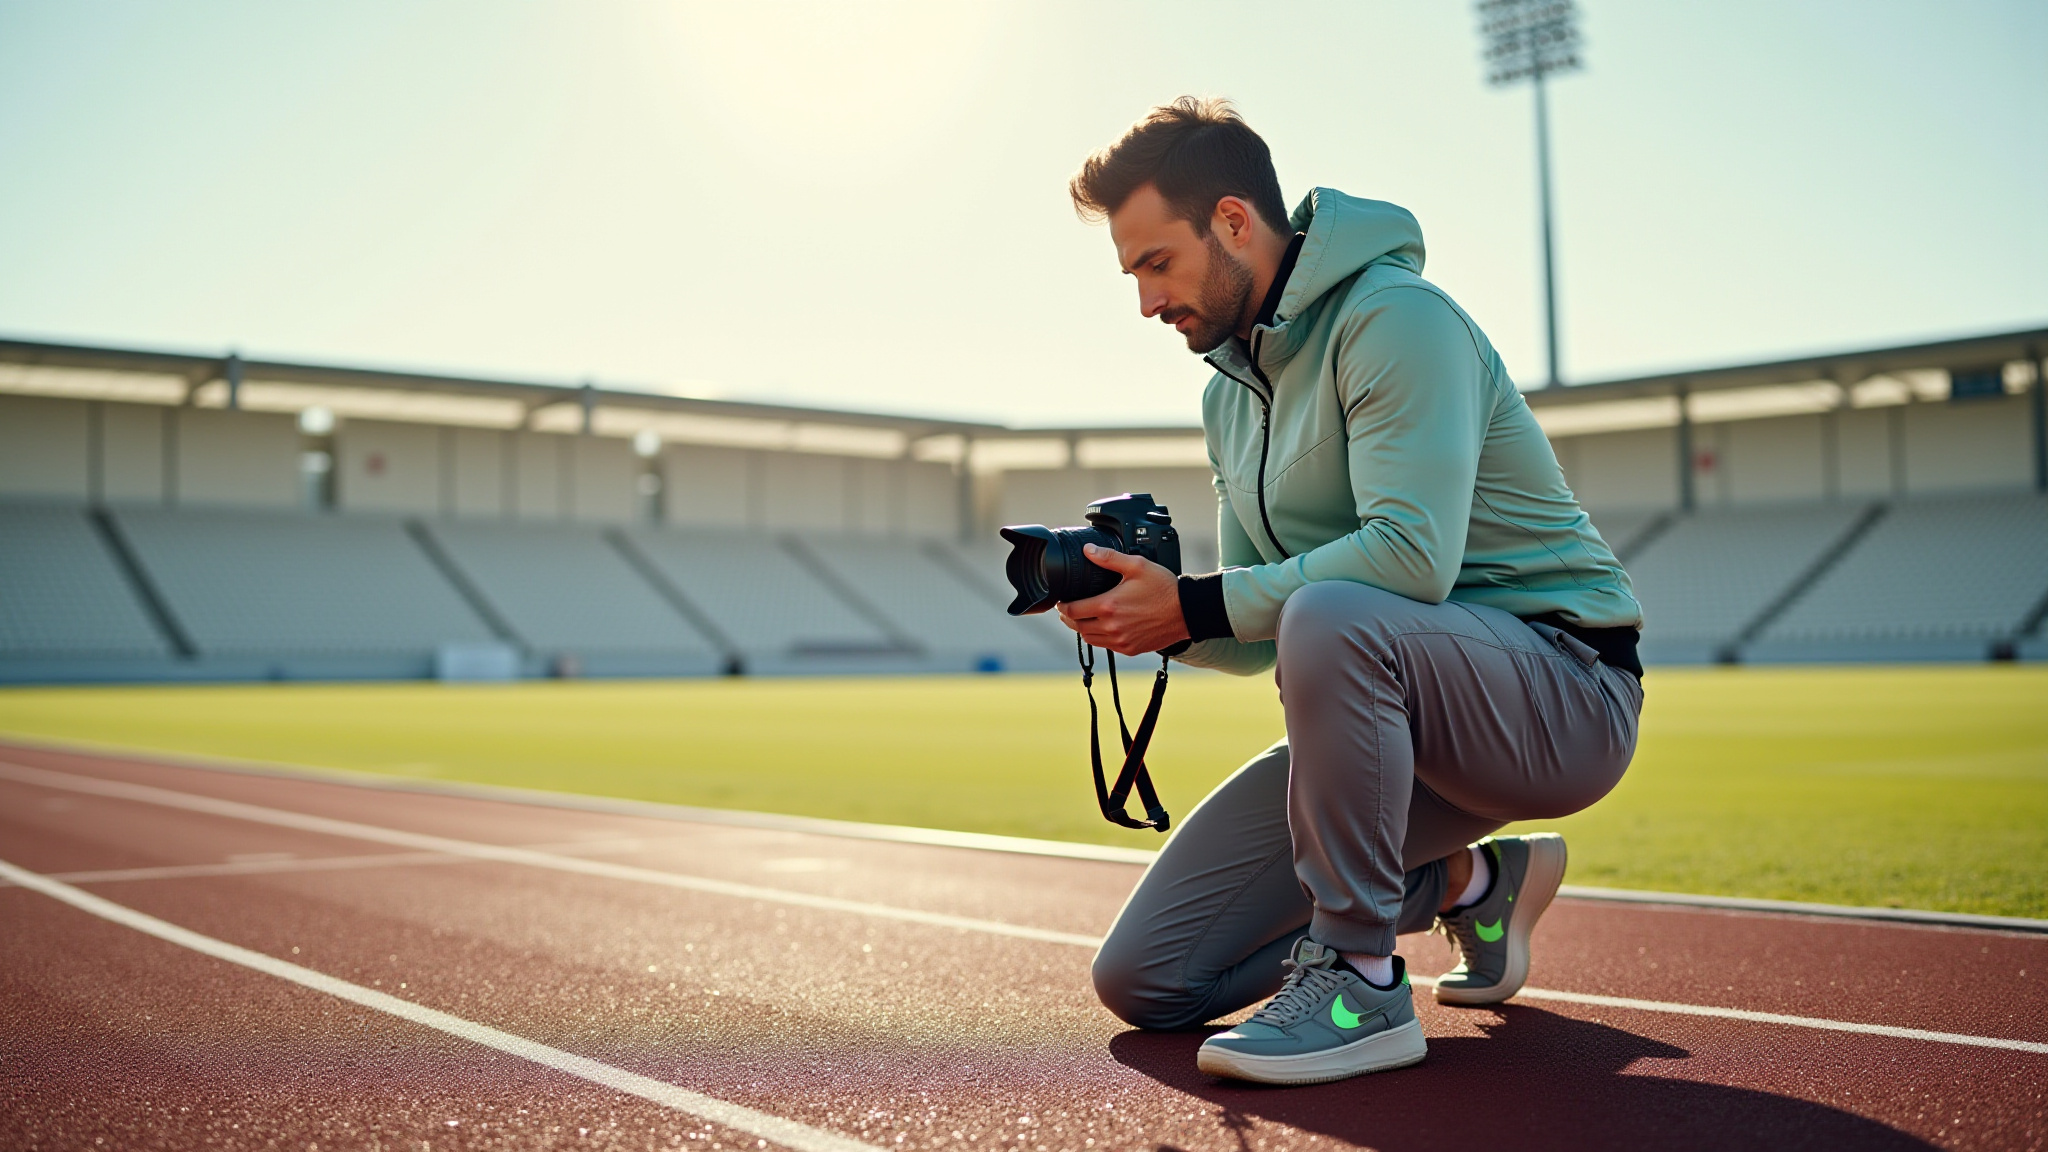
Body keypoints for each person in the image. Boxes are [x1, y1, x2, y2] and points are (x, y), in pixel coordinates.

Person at [1056, 97, 1645, 1086]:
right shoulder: (1226, 390)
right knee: (1146, 980)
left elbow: (1407, 560)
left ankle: (1360, 986)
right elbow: (1252, 630)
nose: (1145, 303)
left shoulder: (1394, 319)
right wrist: (1152, 615)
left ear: (1233, 222)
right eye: (1131, 276)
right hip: (1392, 715)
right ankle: (1472, 882)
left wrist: (1198, 602)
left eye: (1156, 264)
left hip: (1562, 689)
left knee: (1332, 614)